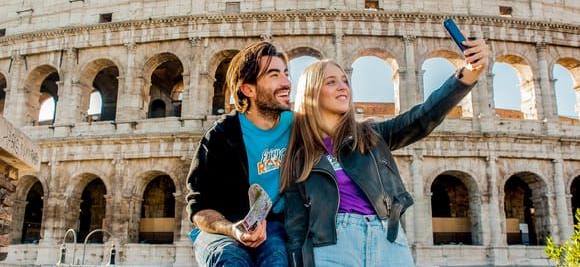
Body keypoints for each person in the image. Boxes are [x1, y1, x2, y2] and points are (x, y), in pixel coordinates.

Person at [280, 39, 490, 267]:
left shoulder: (371, 136)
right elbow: (296, 226)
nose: (343, 87)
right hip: (333, 246)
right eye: (331, 82)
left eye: (345, 80)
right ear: (311, 93)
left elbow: (422, 117)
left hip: (388, 240)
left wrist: (469, 73)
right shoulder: (298, 156)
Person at [186, 41, 292, 267]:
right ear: (248, 89)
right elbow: (199, 208)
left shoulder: (298, 127)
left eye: (286, 73)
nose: (287, 82)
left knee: (277, 257)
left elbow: (353, 132)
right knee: (230, 257)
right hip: (222, 229)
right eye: (274, 75)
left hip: (273, 226)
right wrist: (233, 229)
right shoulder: (221, 136)